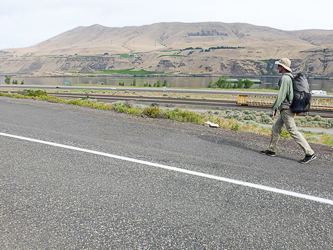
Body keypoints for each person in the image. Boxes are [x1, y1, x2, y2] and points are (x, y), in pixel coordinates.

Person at [261, 58, 317, 164]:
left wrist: (273, 109)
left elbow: (281, 95)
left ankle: (310, 153)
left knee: (293, 131)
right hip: (286, 109)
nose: (277, 67)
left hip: (286, 109)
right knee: (276, 128)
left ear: (283, 67)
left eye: (279, 65)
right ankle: (271, 150)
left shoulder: (285, 78)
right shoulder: (290, 77)